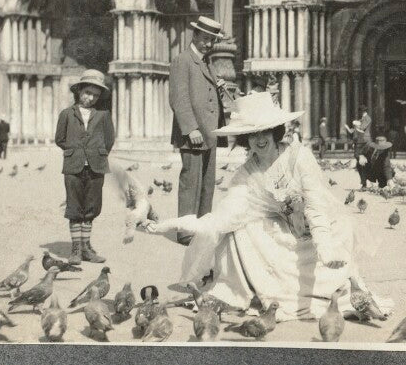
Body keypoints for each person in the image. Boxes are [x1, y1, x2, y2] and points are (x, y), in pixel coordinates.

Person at [144, 92, 391, 322]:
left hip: (322, 228)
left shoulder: (299, 156)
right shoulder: (246, 174)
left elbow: (316, 204)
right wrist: (167, 225)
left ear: (275, 132)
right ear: (245, 139)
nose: (260, 140)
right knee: (239, 233)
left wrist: (324, 246)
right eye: (252, 134)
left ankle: (344, 286)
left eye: (265, 132)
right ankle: (263, 291)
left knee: (342, 230)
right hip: (284, 233)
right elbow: (222, 218)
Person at [169, 16, 226, 246]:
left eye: (212, 41)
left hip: (210, 133)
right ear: (195, 36)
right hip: (193, 133)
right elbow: (178, 97)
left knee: (207, 183)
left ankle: (201, 227)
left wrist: (218, 86)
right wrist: (190, 128)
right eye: (205, 39)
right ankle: (185, 231)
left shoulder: (206, 63)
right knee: (190, 182)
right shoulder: (183, 60)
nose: (208, 44)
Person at [55, 69, 116, 265]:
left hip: (96, 167)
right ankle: (75, 249)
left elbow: (109, 140)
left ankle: (87, 248)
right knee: (74, 207)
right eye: (87, 93)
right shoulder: (67, 114)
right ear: (79, 91)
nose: (90, 98)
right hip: (73, 167)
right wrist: (76, 151)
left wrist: (95, 153)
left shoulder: (103, 115)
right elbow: (60, 139)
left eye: (95, 95)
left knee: (91, 207)